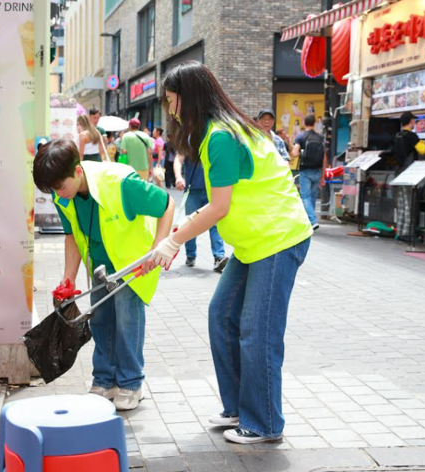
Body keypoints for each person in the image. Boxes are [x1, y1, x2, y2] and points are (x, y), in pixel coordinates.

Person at [153, 61, 312, 444]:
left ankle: (264, 423)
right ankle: (240, 407)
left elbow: (219, 206)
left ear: (188, 98)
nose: (170, 109)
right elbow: (220, 203)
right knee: (222, 315)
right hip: (254, 242)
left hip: (277, 239)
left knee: (258, 332)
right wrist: (178, 232)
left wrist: (174, 241)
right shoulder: (221, 130)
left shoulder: (222, 136)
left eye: (171, 100)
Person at [33, 139, 175, 411]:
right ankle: (104, 380)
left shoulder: (120, 183)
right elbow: (72, 234)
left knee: (127, 323)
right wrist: (68, 278)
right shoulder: (61, 190)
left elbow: (166, 203)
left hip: (131, 264)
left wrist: (160, 246)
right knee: (101, 322)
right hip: (98, 262)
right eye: (52, 189)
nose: (57, 194)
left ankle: (132, 384)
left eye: (60, 187)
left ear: (77, 171)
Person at [173, 154, 229, 272]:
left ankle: (219, 256)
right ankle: (191, 254)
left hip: (213, 189)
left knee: (215, 223)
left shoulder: (215, 137)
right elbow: (178, 158)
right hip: (193, 190)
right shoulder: (190, 139)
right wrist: (178, 177)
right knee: (190, 222)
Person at [393, 111, 425, 243]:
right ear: (411, 121)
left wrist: (421, 142)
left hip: (399, 172)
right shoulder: (411, 136)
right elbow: (422, 150)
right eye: (414, 120)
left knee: (402, 203)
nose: (415, 122)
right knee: (409, 204)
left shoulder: (398, 135)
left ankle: (401, 231)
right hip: (409, 173)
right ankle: (408, 233)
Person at [291, 114, 327, 230]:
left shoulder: (301, 137)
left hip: (305, 171)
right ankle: (308, 222)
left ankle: (312, 220)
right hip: (317, 171)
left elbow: (295, 153)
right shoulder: (320, 138)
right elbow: (325, 158)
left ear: (304, 123)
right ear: (314, 123)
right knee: (312, 197)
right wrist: (323, 176)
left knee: (305, 197)